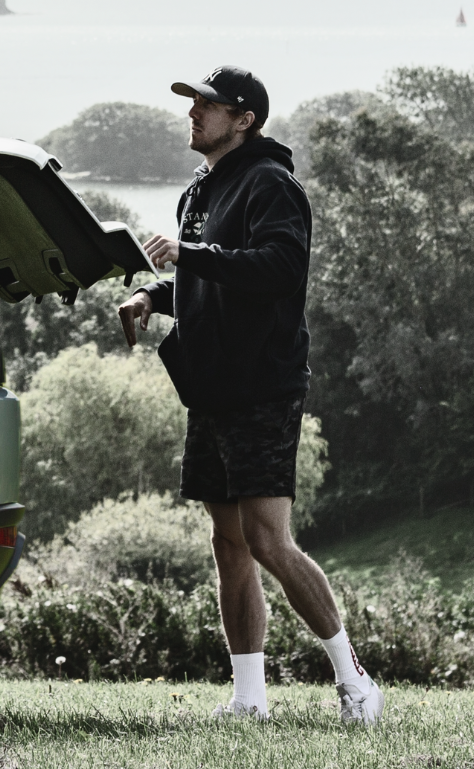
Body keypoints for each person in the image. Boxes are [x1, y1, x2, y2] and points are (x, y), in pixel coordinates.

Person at [117, 65, 382, 725]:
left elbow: (280, 268)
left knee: (267, 540)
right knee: (228, 544)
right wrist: (152, 295)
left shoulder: (270, 183)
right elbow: (207, 278)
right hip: (209, 387)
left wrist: (188, 254)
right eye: (193, 104)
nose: (193, 113)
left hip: (263, 386)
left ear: (244, 120)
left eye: (207, 106)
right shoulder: (199, 191)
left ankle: (354, 680)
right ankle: (248, 699)